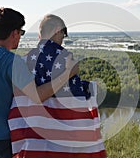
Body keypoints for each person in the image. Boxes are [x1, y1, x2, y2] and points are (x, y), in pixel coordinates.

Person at [0, 8, 78, 158]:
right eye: (21, 33)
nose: (20, 37)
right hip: (6, 142)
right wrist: (68, 73)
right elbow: (37, 96)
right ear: (14, 33)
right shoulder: (12, 61)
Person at [8, 14, 107, 157]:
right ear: (57, 30)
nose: (62, 41)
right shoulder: (65, 59)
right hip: (63, 147)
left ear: (39, 35)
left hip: (33, 144)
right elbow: (75, 103)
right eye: (63, 35)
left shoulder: (24, 61)